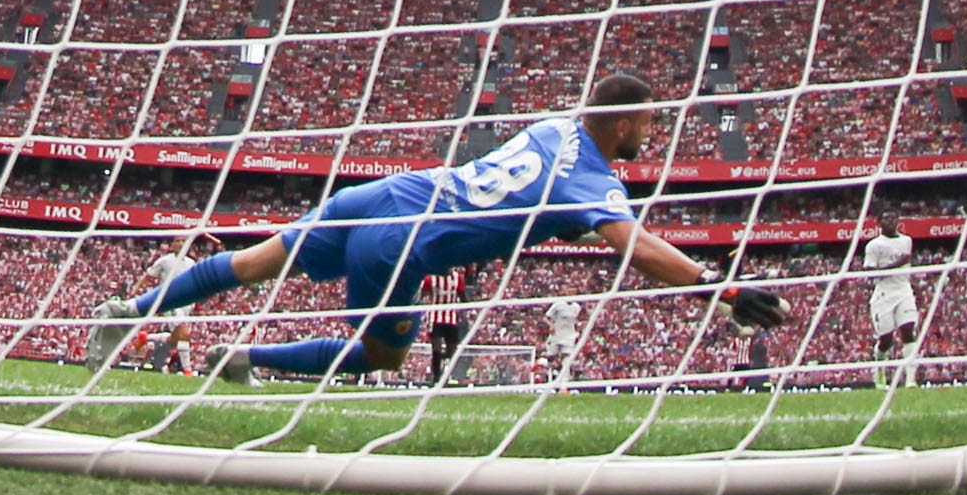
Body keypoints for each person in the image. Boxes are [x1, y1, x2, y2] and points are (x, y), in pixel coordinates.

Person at [82, 74, 784, 382]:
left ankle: (127, 313)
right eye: (648, 125)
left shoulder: (551, 127)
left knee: (252, 261)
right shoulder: (594, 179)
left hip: (390, 193)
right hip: (402, 245)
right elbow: (638, 247)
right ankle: (248, 359)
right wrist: (717, 288)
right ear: (626, 121)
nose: (649, 137)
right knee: (382, 356)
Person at [862, 209, 919, 387]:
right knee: (887, 339)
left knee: (909, 332)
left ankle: (911, 380)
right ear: (879, 222)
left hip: (904, 290)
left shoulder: (906, 241)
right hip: (884, 294)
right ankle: (879, 368)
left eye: (893, 217)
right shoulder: (874, 246)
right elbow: (870, 274)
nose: (890, 221)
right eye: (885, 218)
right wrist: (896, 265)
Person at [142, 233, 199, 373]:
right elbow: (148, 276)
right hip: (171, 301)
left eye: (183, 241)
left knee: (176, 339)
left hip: (186, 304)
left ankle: (145, 338)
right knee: (184, 333)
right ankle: (188, 371)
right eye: (177, 241)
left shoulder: (191, 263)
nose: (180, 244)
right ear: (172, 245)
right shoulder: (165, 261)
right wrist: (135, 292)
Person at [541, 295, 584, 378]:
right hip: (557, 335)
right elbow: (545, 318)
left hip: (569, 337)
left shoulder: (577, 307)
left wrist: (580, 327)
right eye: (569, 292)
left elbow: (578, 321)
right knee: (551, 357)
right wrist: (551, 325)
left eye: (573, 292)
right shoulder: (558, 304)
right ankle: (550, 373)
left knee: (567, 358)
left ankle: (564, 383)